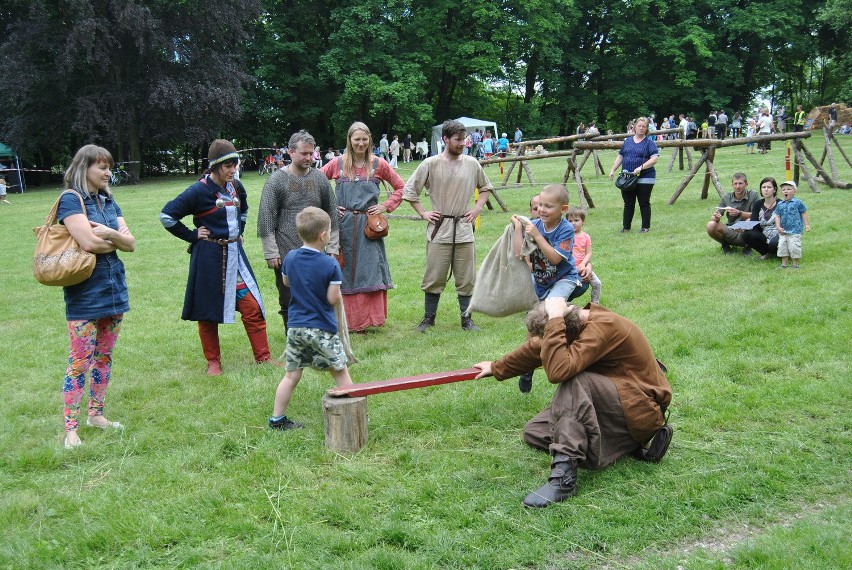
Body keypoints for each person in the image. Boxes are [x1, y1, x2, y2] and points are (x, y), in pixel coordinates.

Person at [472, 298, 673, 507]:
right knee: (535, 431)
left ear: (563, 329)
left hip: (642, 410)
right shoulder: (575, 326)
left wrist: (556, 317)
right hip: (617, 405)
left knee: (574, 380)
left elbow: (558, 371)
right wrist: (497, 367)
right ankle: (624, 444)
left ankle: (564, 478)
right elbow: (538, 347)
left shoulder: (604, 326)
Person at [161, 140, 279, 376]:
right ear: (215, 166)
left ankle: (263, 358)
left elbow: (243, 210)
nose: (233, 170)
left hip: (236, 256)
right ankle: (213, 362)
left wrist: (239, 231)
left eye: (235, 165)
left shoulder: (236, 186)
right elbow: (167, 216)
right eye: (228, 165)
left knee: (252, 307)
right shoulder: (198, 191)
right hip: (208, 258)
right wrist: (193, 235)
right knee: (207, 311)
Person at [58, 145, 136, 449]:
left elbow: (131, 243)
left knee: (104, 358)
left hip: (114, 289)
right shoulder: (70, 200)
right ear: (84, 168)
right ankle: (71, 430)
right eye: (101, 167)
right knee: (80, 361)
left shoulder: (108, 200)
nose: (107, 172)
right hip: (84, 294)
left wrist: (112, 235)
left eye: (109, 167)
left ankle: (97, 415)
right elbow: (88, 242)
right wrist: (112, 237)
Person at [403, 119, 493, 332]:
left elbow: (486, 187)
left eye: (464, 139)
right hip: (440, 228)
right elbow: (410, 191)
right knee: (434, 274)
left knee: (466, 275)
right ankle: (428, 318)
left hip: (463, 227)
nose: (463, 143)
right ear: (445, 139)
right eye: (458, 139)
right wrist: (424, 213)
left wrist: (478, 207)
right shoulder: (430, 164)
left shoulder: (472, 163)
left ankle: (467, 319)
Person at [269, 207, 353, 430]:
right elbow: (332, 298)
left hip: (295, 327)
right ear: (324, 235)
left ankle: (277, 420)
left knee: (291, 376)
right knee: (340, 371)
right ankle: (352, 416)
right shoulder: (330, 264)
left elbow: (287, 283)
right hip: (321, 329)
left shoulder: (290, 257)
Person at [320, 121, 406, 332]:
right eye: (356, 139)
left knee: (369, 270)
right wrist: (330, 207)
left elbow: (402, 187)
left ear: (369, 140)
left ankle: (367, 320)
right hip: (343, 226)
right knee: (343, 268)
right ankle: (344, 320)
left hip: (369, 227)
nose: (360, 143)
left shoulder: (379, 164)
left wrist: (385, 206)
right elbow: (316, 183)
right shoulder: (337, 163)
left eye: (364, 139)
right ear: (349, 140)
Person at [258, 130, 340, 332]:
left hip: (316, 252)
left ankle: (318, 334)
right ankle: (293, 338)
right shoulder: (277, 180)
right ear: (291, 152)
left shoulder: (319, 179)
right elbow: (266, 217)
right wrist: (271, 252)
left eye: (311, 153)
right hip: (287, 252)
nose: (309, 158)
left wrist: (333, 248)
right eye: (304, 153)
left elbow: (332, 213)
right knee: (288, 300)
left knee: (318, 296)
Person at [511, 185, 586, 393]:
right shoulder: (534, 225)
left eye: (548, 206)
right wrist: (519, 229)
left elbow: (554, 258)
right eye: (539, 205)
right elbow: (519, 254)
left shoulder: (566, 229)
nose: (542, 210)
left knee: (550, 314)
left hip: (564, 280)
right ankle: (527, 366)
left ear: (563, 209)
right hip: (542, 282)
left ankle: (568, 359)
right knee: (533, 324)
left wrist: (537, 235)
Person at [608, 117, 660, 233]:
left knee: (644, 202)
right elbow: (620, 156)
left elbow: (654, 158)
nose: (641, 128)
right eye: (639, 126)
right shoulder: (627, 141)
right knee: (628, 203)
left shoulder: (650, 143)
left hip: (645, 177)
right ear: (635, 127)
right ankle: (626, 228)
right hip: (627, 177)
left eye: (644, 126)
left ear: (647, 129)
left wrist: (641, 167)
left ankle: (645, 227)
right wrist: (613, 170)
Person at [706, 172, 759, 255]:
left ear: (746, 184)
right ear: (732, 185)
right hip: (731, 229)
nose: (737, 186)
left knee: (750, 221)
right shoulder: (726, 197)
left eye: (740, 183)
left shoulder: (753, 195)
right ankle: (725, 245)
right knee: (711, 224)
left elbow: (756, 216)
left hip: (745, 230)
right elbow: (715, 215)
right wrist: (716, 217)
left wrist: (739, 213)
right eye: (735, 184)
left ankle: (748, 246)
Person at [566, 207, 602, 304]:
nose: (573, 223)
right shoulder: (566, 236)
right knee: (573, 285)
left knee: (597, 283)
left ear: (583, 222)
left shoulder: (586, 237)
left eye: (576, 220)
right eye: (570, 221)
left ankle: (595, 304)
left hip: (583, 266)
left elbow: (588, 253)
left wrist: (583, 264)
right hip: (570, 268)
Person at [775, 181, 811, 269]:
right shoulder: (780, 204)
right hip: (783, 231)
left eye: (788, 189)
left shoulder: (798, 202)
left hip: (795, 230)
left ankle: (795, 264)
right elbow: (777, 216)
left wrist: (807, 224)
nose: (786, 191)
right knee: (782, 247)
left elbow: (803, 213)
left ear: (794, 191)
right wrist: (778, 227)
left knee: (794, 247)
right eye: (783, 190)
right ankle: (784, 264)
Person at [742, 177, 780, 260]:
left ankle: (779, 252)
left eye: (769, 187)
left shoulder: (781, 204)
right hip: (764, 235)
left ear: (774, 189)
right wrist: (744, 226)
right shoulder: (758, 204)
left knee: (774, 244)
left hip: (779, 234)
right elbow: (754, 224)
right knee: (747, 234)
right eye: (763, 187)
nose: (766, 190)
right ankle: (765, 253)